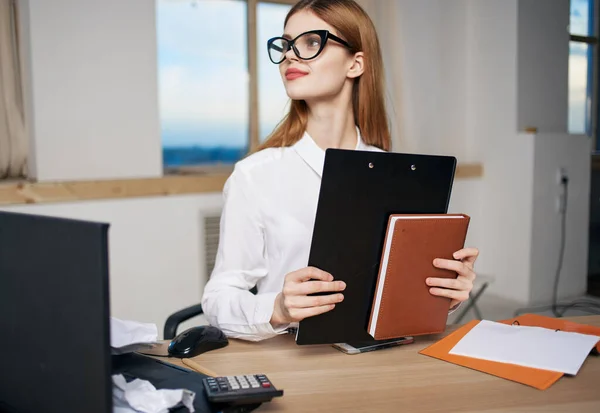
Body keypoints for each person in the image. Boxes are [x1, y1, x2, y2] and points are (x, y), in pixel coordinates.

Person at [201, 0, 479, 341]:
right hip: (294, 359)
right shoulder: (254, 175)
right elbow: (217, 299)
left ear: (356, 63)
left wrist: (444, 293)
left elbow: (399, 290)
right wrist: (277, 309)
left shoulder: (397, 174)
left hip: (381, 355)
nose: (290, 55)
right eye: (286, 44)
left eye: (310, 43)